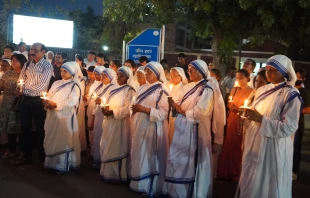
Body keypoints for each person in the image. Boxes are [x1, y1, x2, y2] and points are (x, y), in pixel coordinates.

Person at [237, 55, 302, 198]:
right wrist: (247, 116)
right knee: (252, 179)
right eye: (267, 70)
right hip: (255, 143)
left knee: (268, 183)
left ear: (285, 72)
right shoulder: (262, 90)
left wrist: (262, 120)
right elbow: (254, 114)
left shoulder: (291, 94)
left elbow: (289, 127)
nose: (269, 73)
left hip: (273, 146)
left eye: (273, 70)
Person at [163, 60, 217, 198]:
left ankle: (192, 193)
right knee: (178, 159)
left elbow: (200, 111)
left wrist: (180, 110)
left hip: (196, 130)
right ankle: (177, 191)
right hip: (183, 129)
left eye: (191, 70)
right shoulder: (190, 87)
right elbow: (181, 104)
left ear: (201, 71)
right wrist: (174, 105)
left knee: (192, 162)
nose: (189, 72)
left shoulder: (207, 89)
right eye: (188, 70)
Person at [130, 62, 169, 196]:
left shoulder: (162, 89)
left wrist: (143, 109)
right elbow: (134, 104)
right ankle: (137, 183)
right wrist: (134, 109)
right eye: (145, 71)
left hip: (152, 126)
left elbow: (163, 113)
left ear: (158, 73)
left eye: (149, 72)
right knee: (139, 153)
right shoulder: (141, 88)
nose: (146, 74)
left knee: (149, 155)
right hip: (139, 125)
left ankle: (150, 186)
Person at [43, 61, 82, 173]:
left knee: (63, 139)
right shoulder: (56, 83)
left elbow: (72, 101)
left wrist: (56, 105)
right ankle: (50, 164)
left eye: (66, 71)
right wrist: (47, 103)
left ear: (73, 72)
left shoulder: (75, 85)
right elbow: (49, 95)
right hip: (53, 116)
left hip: (65, 117)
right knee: (52, 138)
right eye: (61, 71)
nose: (63, 73)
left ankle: (61, 165)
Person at [17, 42, 53, 166]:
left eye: (35, 50)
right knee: (25, 128)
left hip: (38, 101)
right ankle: (26, 156)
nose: (32, 52)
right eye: (31, 50)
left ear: (43, 52)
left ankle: (43, 158)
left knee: (40, 129)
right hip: (25, 101)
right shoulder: (27, 64)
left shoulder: (47, 66)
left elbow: (41, 86)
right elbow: (20, 80)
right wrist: (20, 87)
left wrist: (24, 89)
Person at [100, 66, 136, 181]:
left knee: (117, 146)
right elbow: (105, 101)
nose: (119, 77)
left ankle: (118, 175)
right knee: (107, 145)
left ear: (128, 77)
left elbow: (128, 108)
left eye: (122, 75)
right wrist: (104, 108)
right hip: (109, 122)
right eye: (118, 75)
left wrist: (113, 112)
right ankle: (107, 173)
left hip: (120, 123)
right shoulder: (112, 88)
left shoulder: (129, 90)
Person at [217, 69, 253, 182]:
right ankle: (225, 170)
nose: (239, 80)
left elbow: (251, 106)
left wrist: (241, 109)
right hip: (232, 117)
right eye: (237, 77)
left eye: (241, 77)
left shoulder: (252, 91)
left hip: (242, 119)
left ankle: (236, 172)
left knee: (238, 144)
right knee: (229, 142)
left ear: (248, 78)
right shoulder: (235, 89)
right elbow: (229, 101)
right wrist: (231, 106)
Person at [0, 54, 27, 158]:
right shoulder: (8, 73)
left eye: (16, 61)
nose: (13, 62)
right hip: (7, 103)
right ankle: (11, 149)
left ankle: (22, 150)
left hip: (19, 103)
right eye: (12, 61)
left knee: (20, 127)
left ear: (22, 62)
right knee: (9, 128)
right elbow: (1, 86)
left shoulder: (26, 74)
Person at [293, 68, 310, 180]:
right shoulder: (290, 90)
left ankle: (294, 171)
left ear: (303, 79)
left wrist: (295, 110)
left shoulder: (304, 93)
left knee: (296, 147)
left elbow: (308, 109)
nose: (296, 79)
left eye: (298, 77)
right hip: (288, 122)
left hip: (298, 124)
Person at [86, 66, 105, 165]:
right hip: (91, 108)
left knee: (98, 133)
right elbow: (90, 96)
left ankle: (98, 155)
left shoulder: (105, 86)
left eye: (99, 74)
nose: (96, 76)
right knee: (91, 131)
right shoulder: (94, 84)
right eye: (95, 74)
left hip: (99, 111)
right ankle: (93, 152)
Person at [167, 67, 188, 145]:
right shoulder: (168, 87)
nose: (172, 78)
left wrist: (173, 104)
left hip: (178, 118)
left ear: (181, 76)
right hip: (167, 117)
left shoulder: (185, 88)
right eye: (171, 76)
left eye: (175, 76)